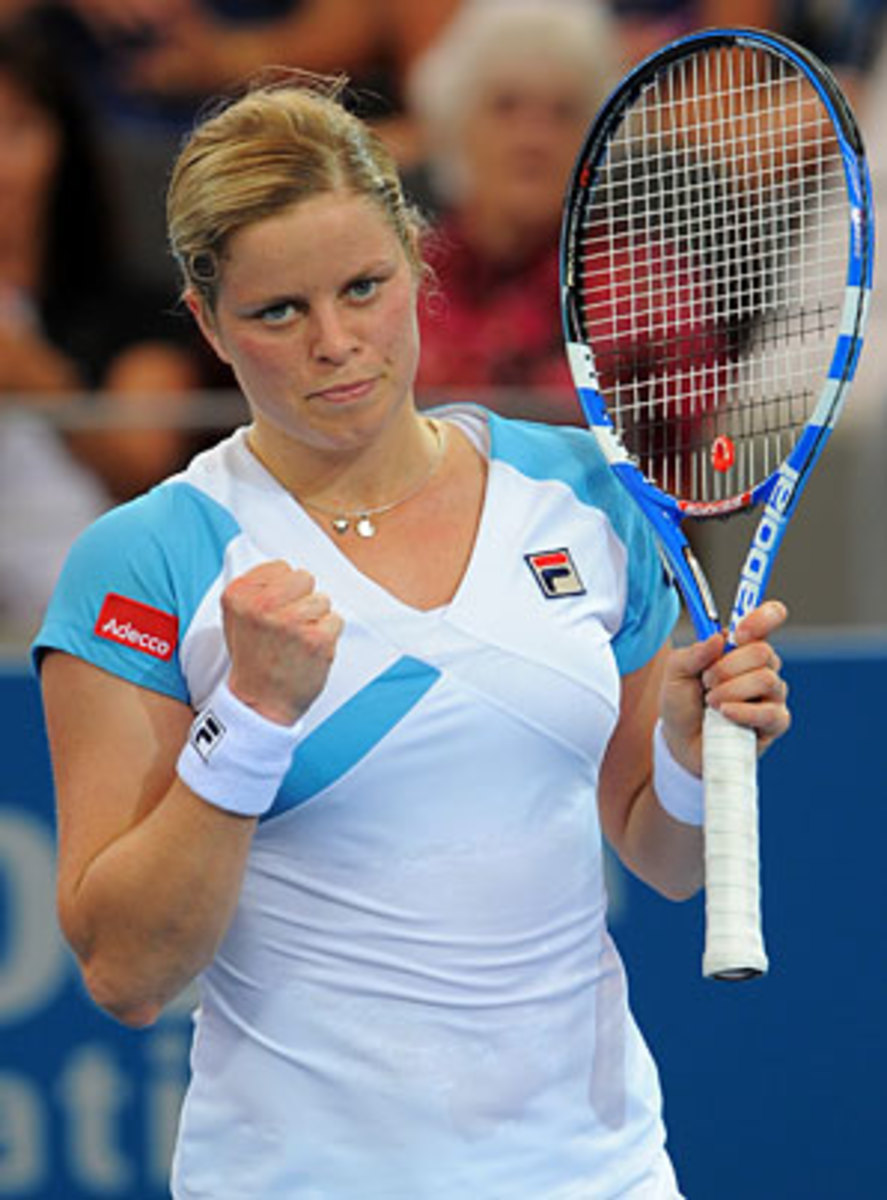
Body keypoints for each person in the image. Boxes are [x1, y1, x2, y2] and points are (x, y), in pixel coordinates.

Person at [33, 77, 791, 1198]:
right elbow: (128, 972)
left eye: (363, 287)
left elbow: (663, 861)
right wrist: (250, 720)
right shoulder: (147, 559)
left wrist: (689, 751)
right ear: (207, 323)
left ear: (416, 265)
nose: (336, 343)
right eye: (277, 312)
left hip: (600, 1175)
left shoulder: (585, 492)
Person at [0, 17, 204, 502]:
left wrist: (38, 381)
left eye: (16, 129)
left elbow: (144, 471)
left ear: (64, 143)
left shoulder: (137, 314)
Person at [407, 1, 623, 403]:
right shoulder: (402, 280)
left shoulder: (641, 293)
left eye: (563, 113)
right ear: (454, 124)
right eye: (505, 107)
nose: (533, 139)